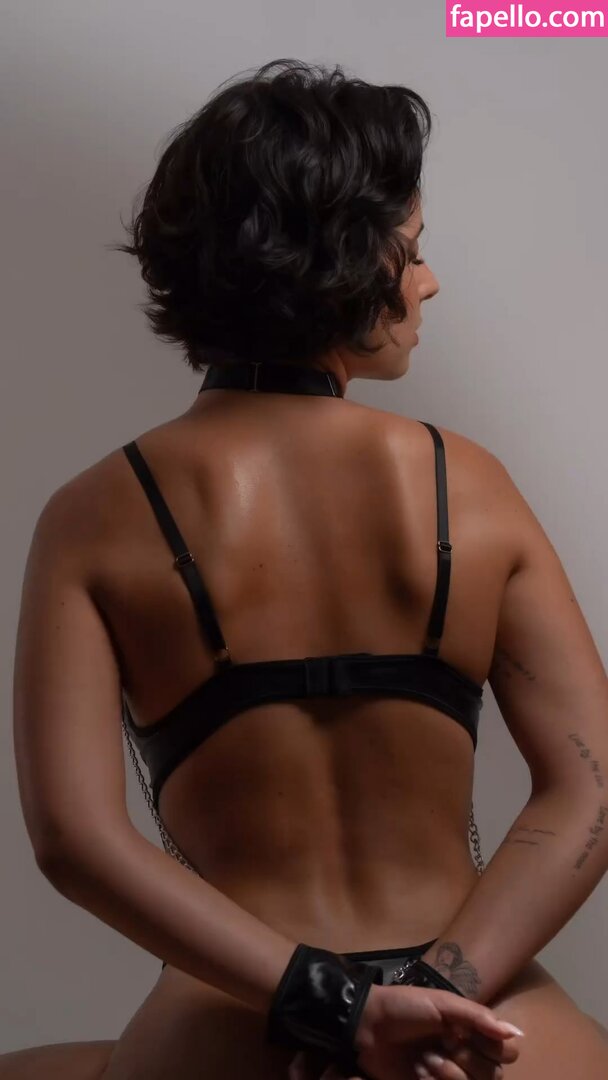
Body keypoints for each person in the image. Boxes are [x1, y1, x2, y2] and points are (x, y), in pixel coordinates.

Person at [5, 58, 608, 1080]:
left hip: (241, 1031)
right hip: (485, 1031)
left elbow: (76, 841)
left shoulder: (92, 516)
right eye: (413, 250)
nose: (427, 281)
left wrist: (341, 1013)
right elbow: (589, 786)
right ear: (342, 259)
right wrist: (434, 996)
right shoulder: (468, 485)